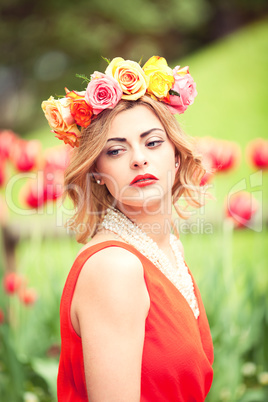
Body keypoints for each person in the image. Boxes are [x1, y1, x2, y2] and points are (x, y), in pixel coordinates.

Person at [42, 56, 214, 401]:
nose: (138, 158)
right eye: (116, 150)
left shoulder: (167, 251)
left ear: (176, 156)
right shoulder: (114, 268)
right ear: (98, 174)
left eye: (152, 143)